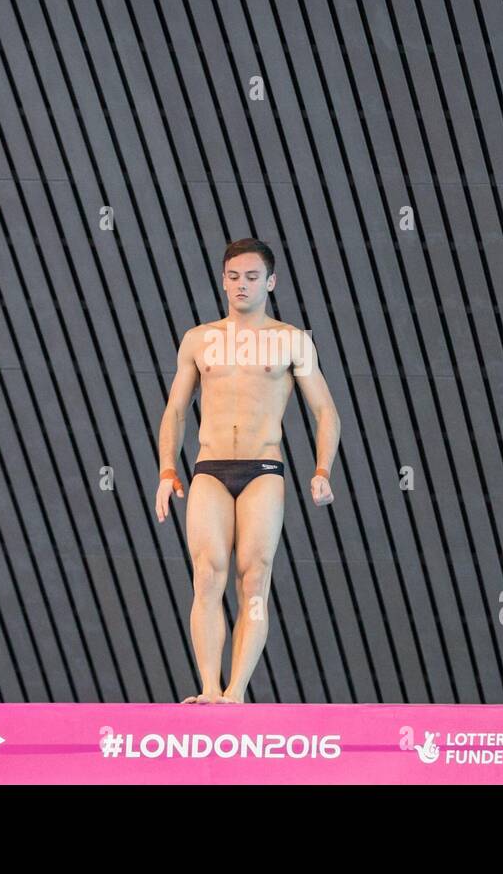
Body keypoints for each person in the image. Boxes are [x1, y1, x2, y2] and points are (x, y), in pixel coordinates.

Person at [155, 238, 340, 703]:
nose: (242, 285)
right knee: (207, 574)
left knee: (253, 575)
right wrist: (165, 471)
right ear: (223, 280)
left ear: (270, 282)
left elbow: (326, 411)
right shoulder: (199, 339)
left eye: (252, 277)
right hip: (209, 468)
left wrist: (322, 469)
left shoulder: (291, 340)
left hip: (263, 469)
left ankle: (236, 691)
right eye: (234, 276)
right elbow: (176, 409)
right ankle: (209, 688)